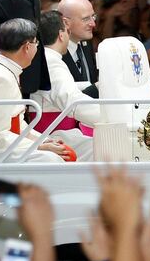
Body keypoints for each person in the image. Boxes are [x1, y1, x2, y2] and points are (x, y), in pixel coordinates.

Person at [0, 18, 73, 164]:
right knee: (52, 160)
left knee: (63, 153)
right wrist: (40, 146)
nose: (36, 48)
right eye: (36, 43)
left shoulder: (4, 71)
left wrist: (45, 139)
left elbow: (17, 125)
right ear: (27, 46)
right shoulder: (0, 78)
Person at [30, 10, 99, 161]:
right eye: (67, 32)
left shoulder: (43, 57)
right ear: (62, 35)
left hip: (55, 131)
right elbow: (71, 100)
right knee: (104, 149)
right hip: (53, 134)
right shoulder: (52, 61)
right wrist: (109, 117)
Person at [58, 0, 99, 97]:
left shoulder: (86, 43)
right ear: (65, 23)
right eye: (85, 19)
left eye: (93, 16)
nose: (93, 24)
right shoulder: (53, 51)